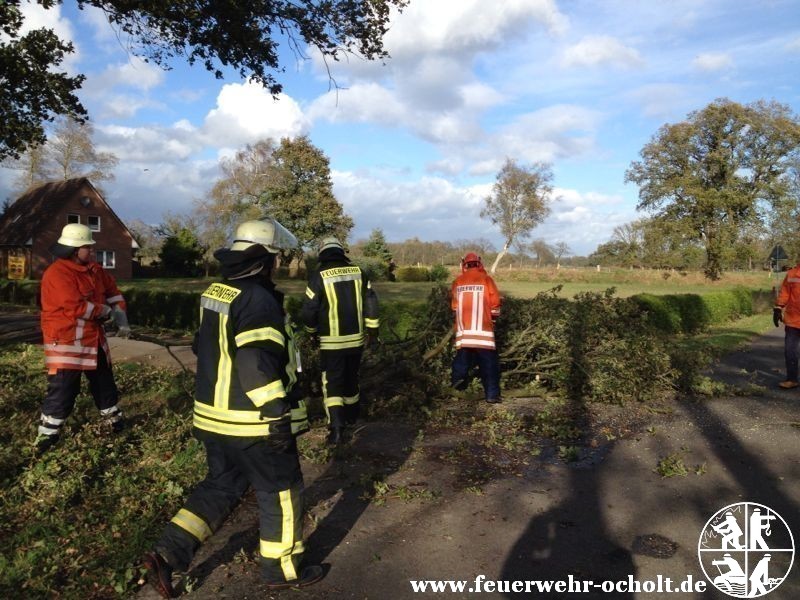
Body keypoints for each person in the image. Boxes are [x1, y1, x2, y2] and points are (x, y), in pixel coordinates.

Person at [143, 218, 323, 598]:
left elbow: (201, 343)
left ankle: (168, 553)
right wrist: (276, 413)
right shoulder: (258, 300)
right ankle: (283, 569)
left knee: (221, 485)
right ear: (266, 260)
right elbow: (254, 362)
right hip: (251, 421)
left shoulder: (218, 291)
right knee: (281, 491)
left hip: (213, 419)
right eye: (276, 258)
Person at [35, 223, 128, 454]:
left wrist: (122, 316)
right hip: (66, 341)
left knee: (104, 384)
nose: (92, 251)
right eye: (88, 247)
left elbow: (113, 292)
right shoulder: (57, 274)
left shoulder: (95, 271)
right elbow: (74, 306)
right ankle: (47, 436)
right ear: (75, 250)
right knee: (64, 389)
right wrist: (106, 312)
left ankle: (113, 423)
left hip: (93, 339)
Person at [300, 237, 379, 446]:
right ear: (341, 253)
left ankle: (336, 429)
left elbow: (309, 310)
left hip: (331, 343)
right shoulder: (359, 272)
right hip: (356, 341)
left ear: (323, 254)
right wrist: (373, 331)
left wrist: (311, 332)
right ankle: (352, 418)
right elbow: (371, 302)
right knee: (352, 379)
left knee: (332, 383)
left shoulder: (318, 276)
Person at [451, 252, 502, 403]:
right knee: (489, 365)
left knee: (461, 363)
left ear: (464, 264)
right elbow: (495, 305)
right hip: (483, 332)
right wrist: (493, 319)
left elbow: (454, 307)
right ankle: (492, 395)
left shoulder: (458, 282)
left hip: (464, 333)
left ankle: (456, 391)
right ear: (479, 264)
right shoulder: (487, 280)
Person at [774, 264, 800, 388]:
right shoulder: (792, 274)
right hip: (793, 320)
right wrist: (778, 307)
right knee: (790, 351)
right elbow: (785, 293)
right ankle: (792, 379)